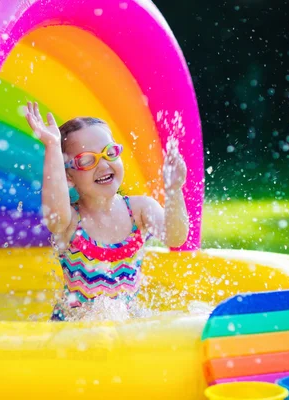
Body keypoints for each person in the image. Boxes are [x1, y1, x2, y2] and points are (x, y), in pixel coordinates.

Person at [25, 102, 189, 321]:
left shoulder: (139, 210)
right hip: (73, 334)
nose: (103, 165)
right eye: (86, 160)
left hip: (124, 327)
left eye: (109, 153)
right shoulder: (70, 223)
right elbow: (54, 214)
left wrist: (174, 191)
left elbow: (175, 237)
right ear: (69, 177)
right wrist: (53, 146)